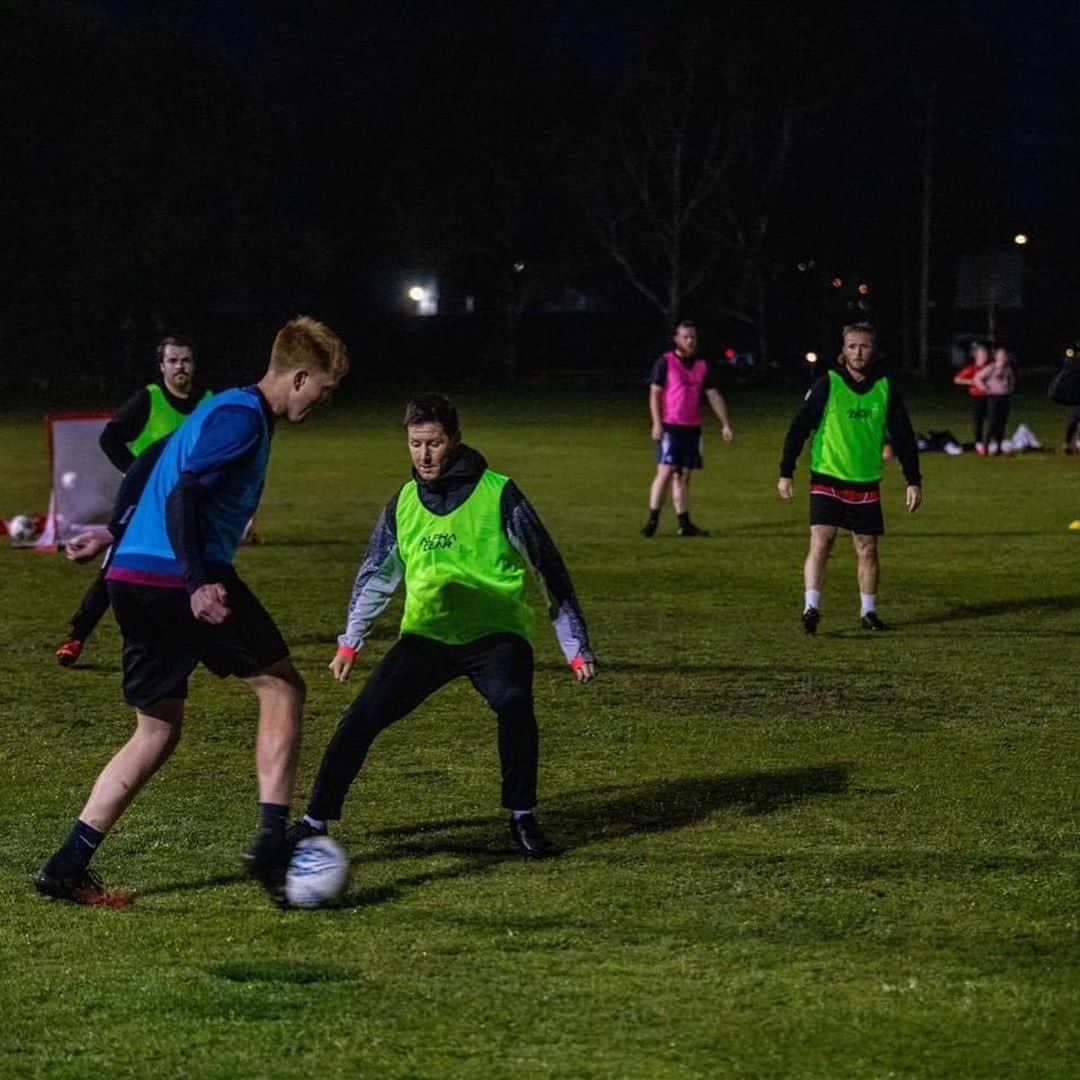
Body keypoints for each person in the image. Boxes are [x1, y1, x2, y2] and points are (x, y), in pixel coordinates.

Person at [35, 316, 349, 906]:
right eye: (325, 391)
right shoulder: (241, 418)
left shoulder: (216, 409)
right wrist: (199, 582)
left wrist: (113, 537)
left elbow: (152, 467)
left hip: (133, 574)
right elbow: (183, 494)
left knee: (156, 728)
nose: (325, 404)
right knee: (282, 690)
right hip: (179, 578)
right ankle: (270, 845)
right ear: (301, 377)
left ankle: (65, 865)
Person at [288, 393, 596, 860]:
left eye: (433, 443)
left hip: (496, 634)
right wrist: (350, 642)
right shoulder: (404, 503)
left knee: (514, 705)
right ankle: (313, 821)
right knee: (361, 717)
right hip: (427, 636)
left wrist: (575, 647)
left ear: (453, 440)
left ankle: (522, 815)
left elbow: (546, 566)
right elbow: (376, 576)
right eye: (415, 444)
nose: (424, 455)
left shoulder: (499, 492)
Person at [55, 336, 212, 667]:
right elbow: (109, 437)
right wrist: (138, 473)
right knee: (115, 569)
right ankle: (77, 636)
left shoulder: (209, 402)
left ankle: (202, 636)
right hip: (144, 503)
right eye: (173, 361)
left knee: (199, 565)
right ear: (162, 366)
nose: (180, 367)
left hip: (189, 502)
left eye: (186, 360)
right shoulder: (148, 399)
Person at [778, 322, 922, 634]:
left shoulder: (885, 388)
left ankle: (868, 612)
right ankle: (811, 608)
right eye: (852, 346)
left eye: (865, 345)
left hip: (865, 481)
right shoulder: (827, 384)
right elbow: (799, 427)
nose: (858, 351)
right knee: (822, 541)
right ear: (843, 351)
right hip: (827, 476)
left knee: (867, 548)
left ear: (875, 350)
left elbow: (904, 437)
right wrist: (785, 471)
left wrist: (913, 480)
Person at [641, 320, 734, 538]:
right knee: (665, 472)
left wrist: (725, 424)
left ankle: (685, 524)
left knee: (683, 477)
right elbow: (655, 393)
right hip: (670, 426)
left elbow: (713, 395)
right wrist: (656, 422)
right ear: (676, 338)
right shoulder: (665, 362)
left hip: (692, 428)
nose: (690, 341)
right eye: (686, 337)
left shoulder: (702, 366)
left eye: (693, 337)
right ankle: (652, 520)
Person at [974, 344, 1016, 455]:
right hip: (993, 397)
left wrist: (1009, 389)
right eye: (1001, 355)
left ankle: (998, 447)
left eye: (1004, 355)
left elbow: (1012, 381)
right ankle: (985, 447)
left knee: (1002, 423)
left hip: (1004, 397)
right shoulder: (991, 368)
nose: (1003, 358)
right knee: (992, 422)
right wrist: (984, 388)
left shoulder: (1007, 369)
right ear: (996, 356)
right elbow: (977, 377)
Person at [952, 340, 991, 455]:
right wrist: (972, 381)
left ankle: (990, 441)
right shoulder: (972, 368)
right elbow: (957, 379)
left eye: (986, 354)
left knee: (992, 420)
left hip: (990, 397)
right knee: (978, 420)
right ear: (976, 356)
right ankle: (978, 443)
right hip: (977, 397)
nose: (985, 356)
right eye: (982, 354)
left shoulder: (990, 367)